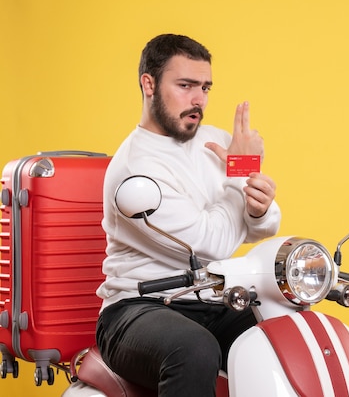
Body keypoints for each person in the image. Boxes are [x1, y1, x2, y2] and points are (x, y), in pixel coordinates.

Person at [95, 34, 281, 396]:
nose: (199, 100)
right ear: (148, 84)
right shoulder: (136, 169)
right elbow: (210, 248)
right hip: (136, 309)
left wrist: (257, 208)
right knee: (193, 349)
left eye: (206, 88)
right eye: (185, 86)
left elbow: (267, 223)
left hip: (213, 301)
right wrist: (240, 173)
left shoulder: (214, 140)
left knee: (283, 333)